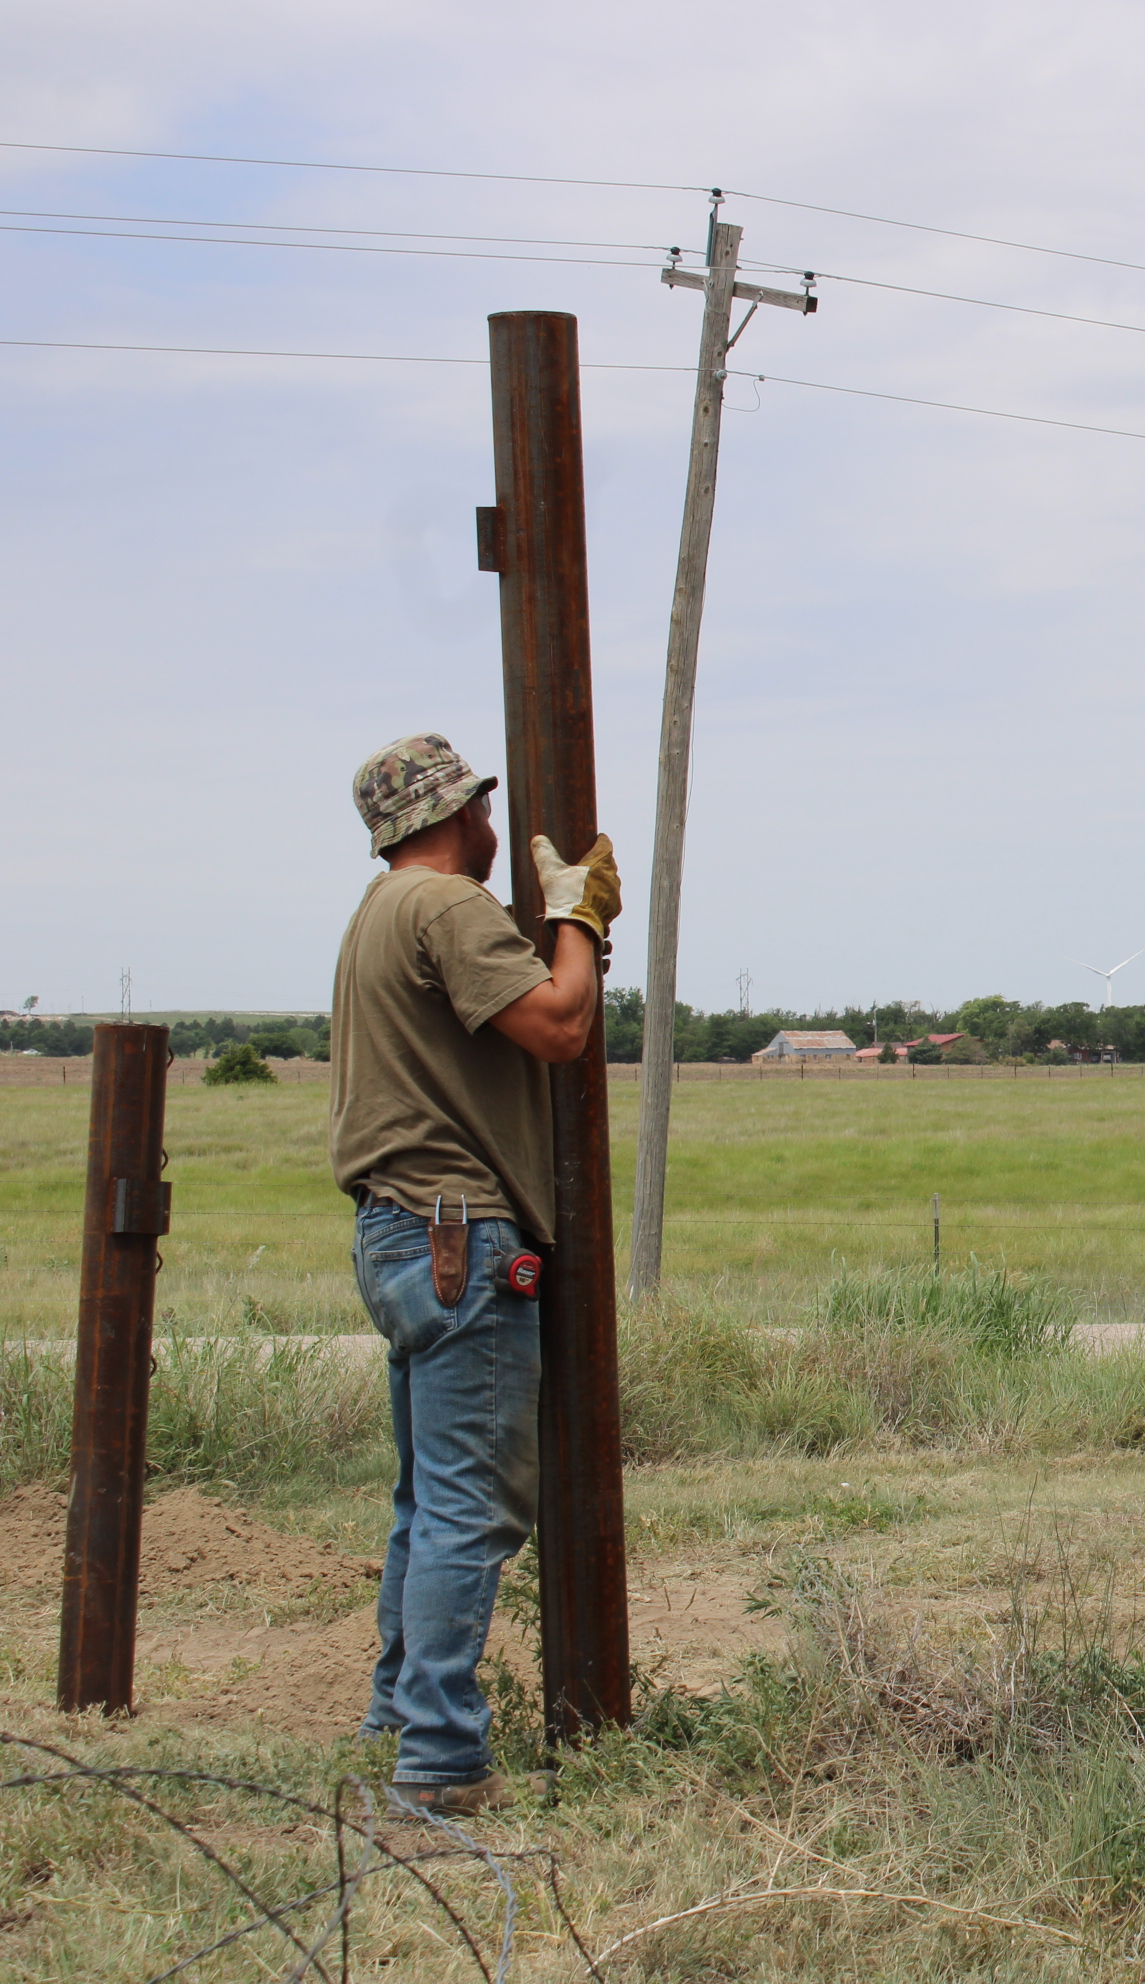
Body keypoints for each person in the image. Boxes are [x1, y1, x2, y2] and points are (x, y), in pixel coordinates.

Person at [329, 734, 619, 1816]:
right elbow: (558, 1023)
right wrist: (577, 921)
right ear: (460, 814)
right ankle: (440, 1763)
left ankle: (395, 1717)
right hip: (464, 1239)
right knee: (468, 1509)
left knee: (422, 1499)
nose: (498, 828)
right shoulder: (445, 906)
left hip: (400, 1238)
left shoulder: (374, 916)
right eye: (487, 810)